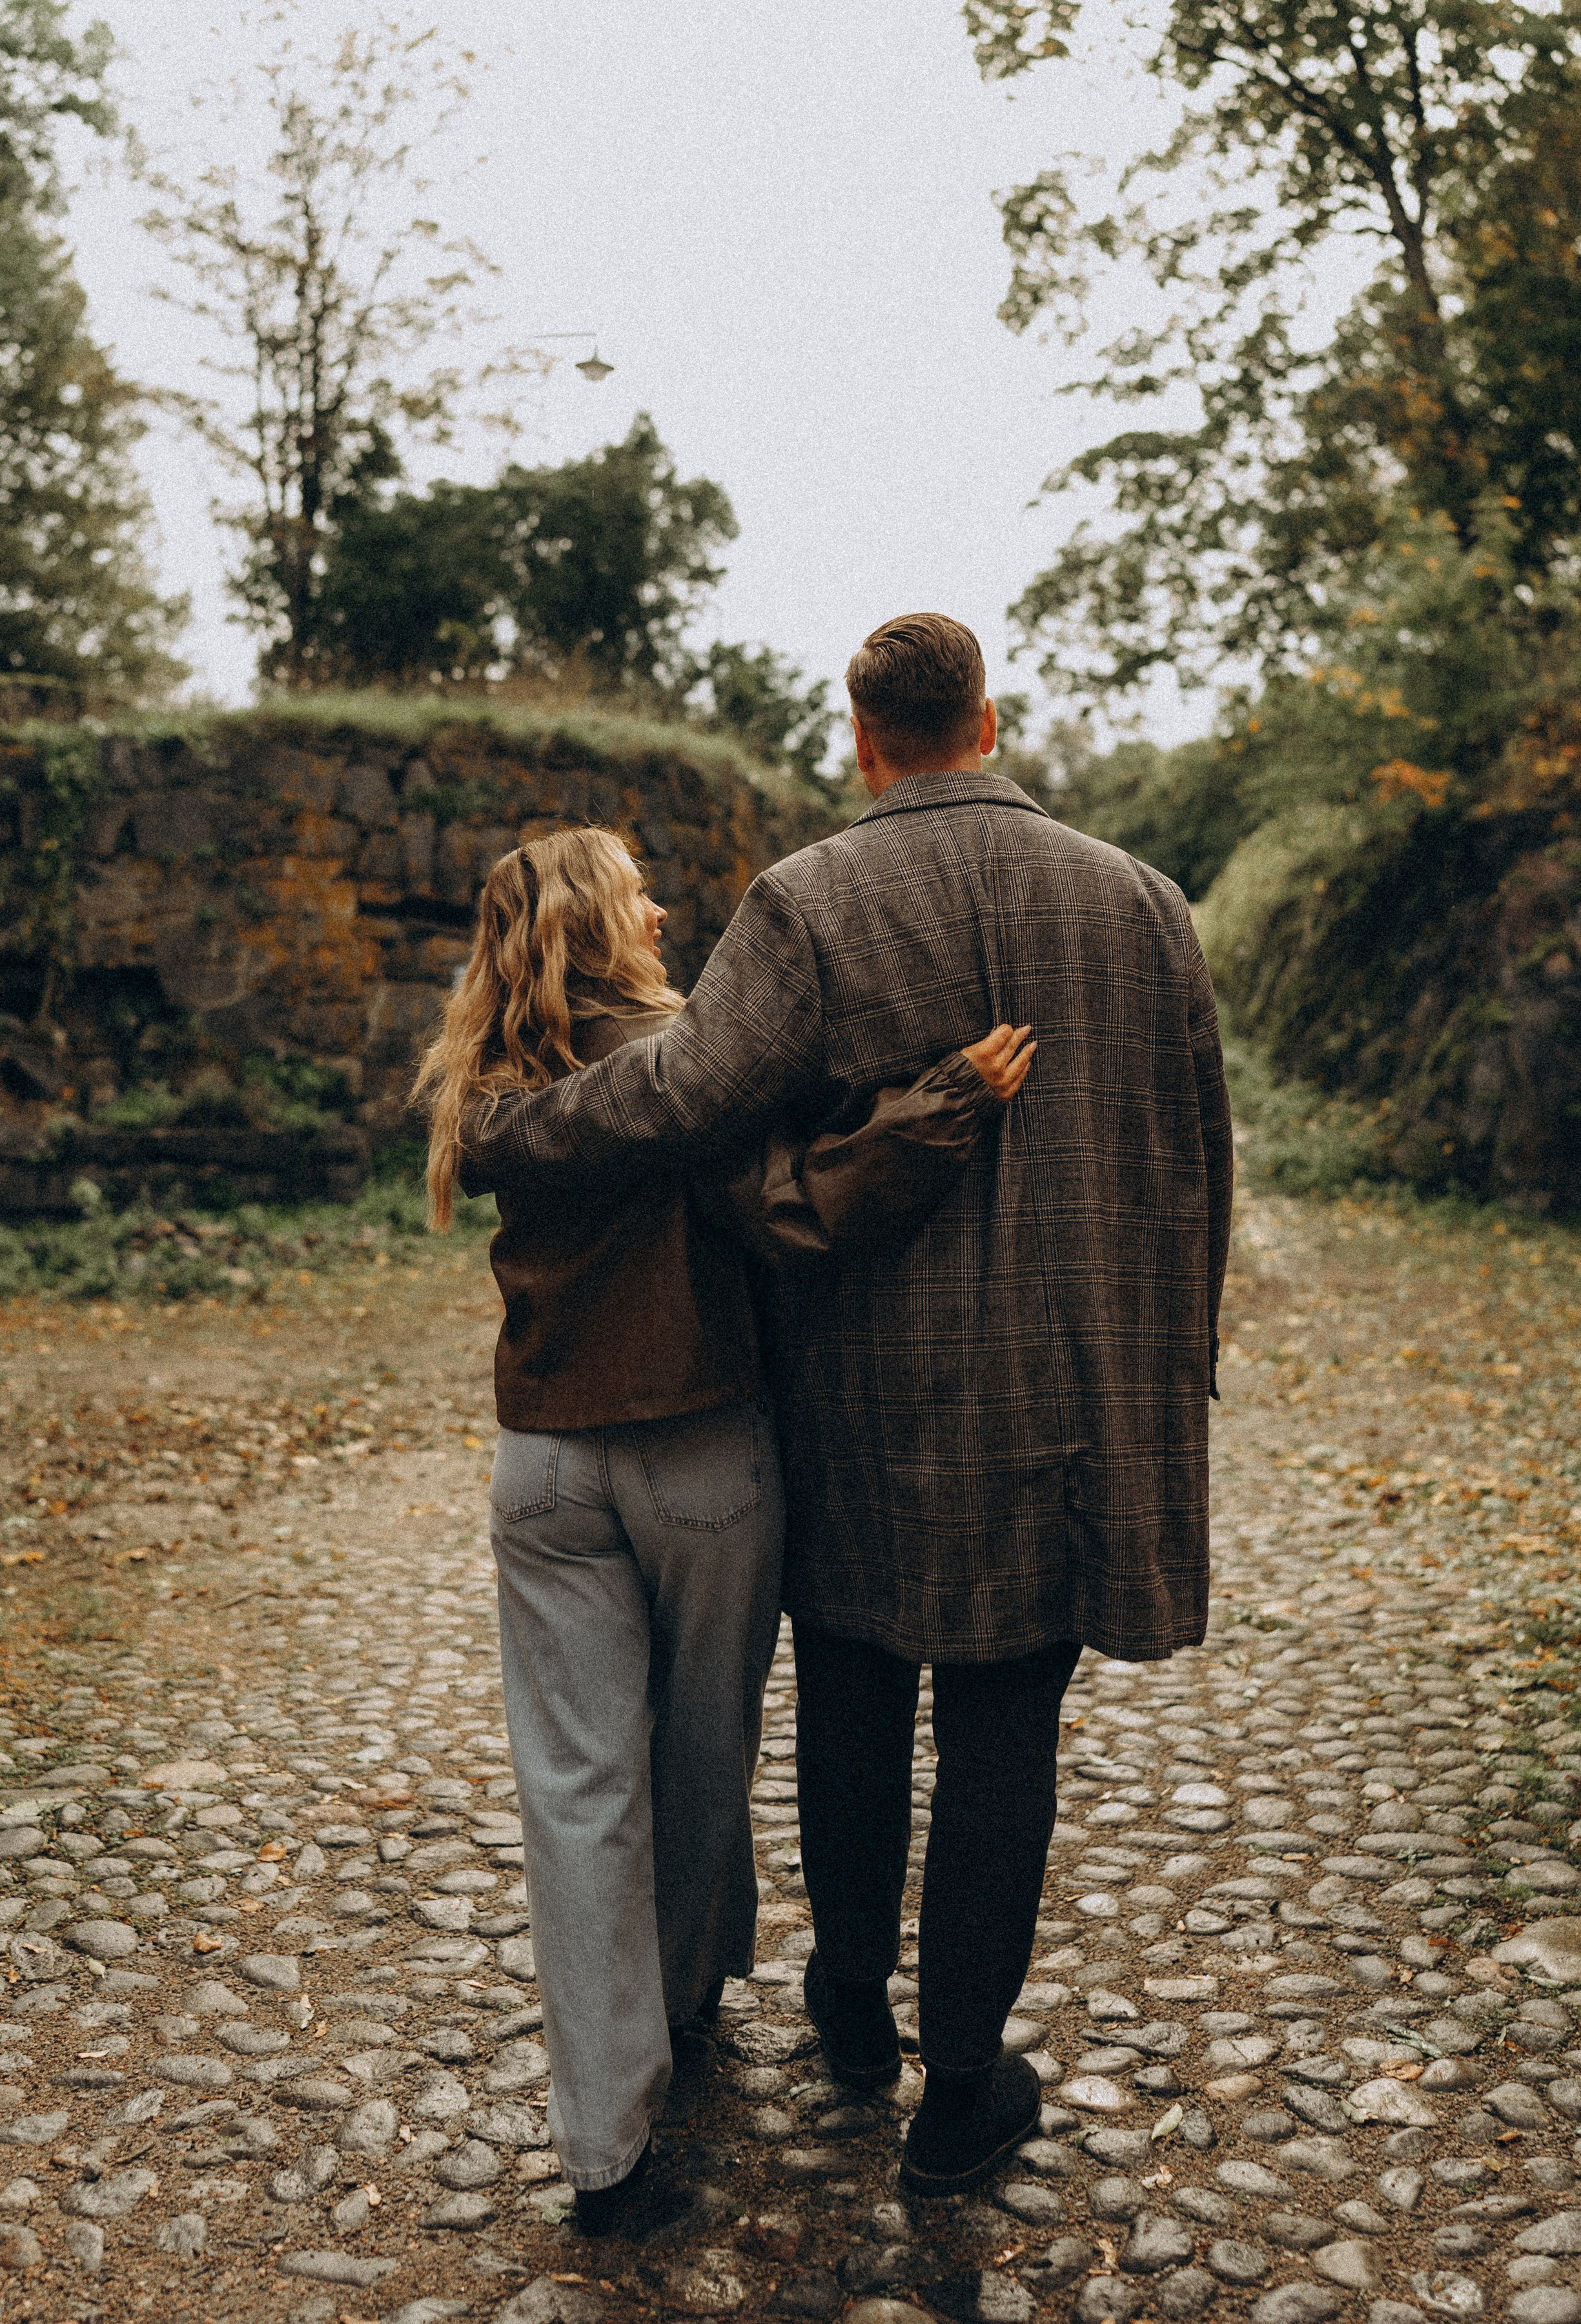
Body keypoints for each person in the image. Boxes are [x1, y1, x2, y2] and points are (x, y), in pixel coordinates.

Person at [457, 615, 1233, 2199]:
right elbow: (1193, 1156)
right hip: (1072, 1397)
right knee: (1009, 1725)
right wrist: (1169, 1373)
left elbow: (681, 1096)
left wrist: (512, 1129)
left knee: (857, 1701)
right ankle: (960, 2093)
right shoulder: (1143, 906)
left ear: (862, 735)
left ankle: (849, 2016)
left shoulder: (807, 901)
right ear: (989, 723)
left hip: (860, 1400)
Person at [416, 823, 1035, 2231]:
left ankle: (604, 2147)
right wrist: (936, 1111)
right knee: (701, 1756)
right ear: (598, 920)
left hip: (543, 1466)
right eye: (635, 890)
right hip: (699, 1446)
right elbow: (798, 1210)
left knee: (575, 1796)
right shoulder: (689, 1066)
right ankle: (684, 2005)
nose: (656, 904)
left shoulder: (494, 1077)